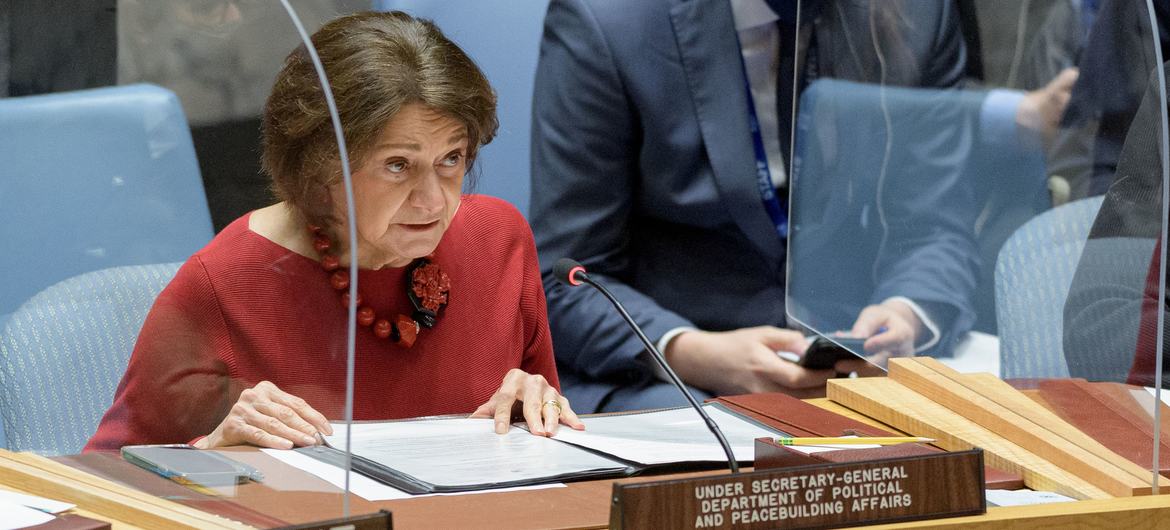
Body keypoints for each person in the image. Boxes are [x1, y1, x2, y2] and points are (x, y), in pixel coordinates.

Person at [85, 11, 582, 452]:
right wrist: (211, 451)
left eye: (451, 159)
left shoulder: (498, 239)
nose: (433, 200)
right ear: (321, 168)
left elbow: (548, 453)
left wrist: (537, 411)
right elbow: (98, 487)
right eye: (397, 165)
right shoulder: (221, 284)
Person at [530, 0, 989, 414]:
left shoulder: (917, 13)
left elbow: (938, 227)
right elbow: (567, 277)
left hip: (857, 364)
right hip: (682, 375)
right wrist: (689, 350)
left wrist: (906, 311)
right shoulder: (607, 21)